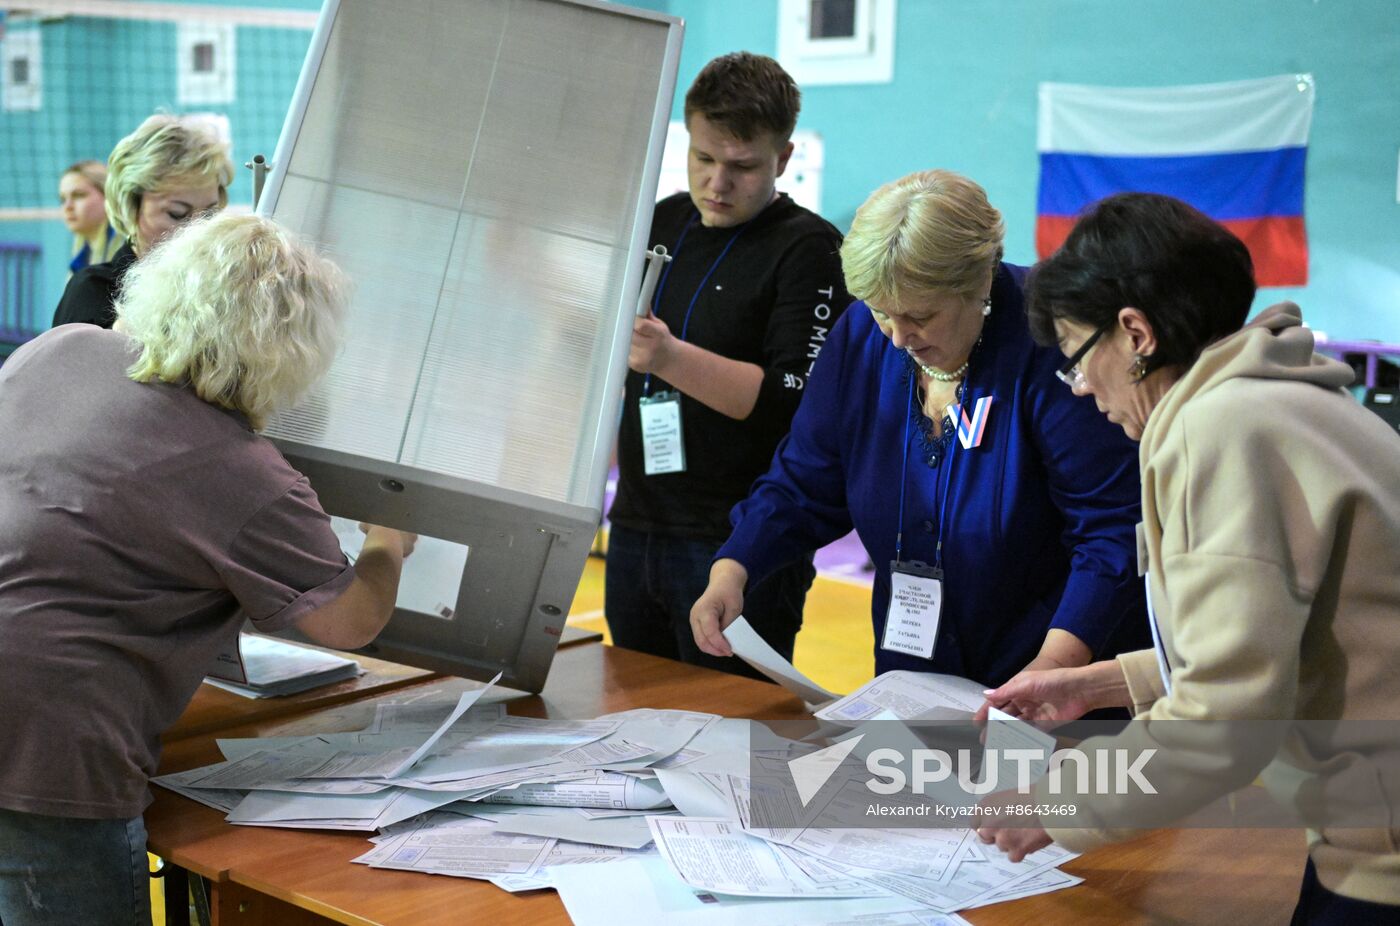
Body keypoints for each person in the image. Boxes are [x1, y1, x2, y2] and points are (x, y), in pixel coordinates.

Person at [975, 193, 1400, 923]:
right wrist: (1107, 684)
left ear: (1135, 334)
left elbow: (1227, 718)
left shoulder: (1220, 429)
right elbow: (1287, 630)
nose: (1082, 390)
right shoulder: (1280, 400)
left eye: (1077, 360)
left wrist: (1059, 802)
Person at [0, 213, 415, 925]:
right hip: (48, 746)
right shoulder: (240, 469)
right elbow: (347, 621)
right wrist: (388, 544)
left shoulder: (61, 347)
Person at [691, 170, 1149, 687]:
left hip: (1055, 664)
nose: (897, 337)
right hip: (914, 668)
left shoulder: (1052, 340)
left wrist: (1054, 669)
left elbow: (1111, 528)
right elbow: (806, 476)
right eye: (882, 313)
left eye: (919, 316)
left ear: (979, 282)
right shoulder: (863, 335)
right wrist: (734, 566)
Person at [605, 52, 849, 676]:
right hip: (637, 520)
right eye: (703, 159)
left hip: (739, 541)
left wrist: (667, 356)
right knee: (628, 721)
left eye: (743, 167)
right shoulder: (665, 219)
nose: (717, 183)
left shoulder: (811, 250)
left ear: (783, 160)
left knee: (733, 741)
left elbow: (793, 404)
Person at [52, 113, 234, 329]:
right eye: (176, 214)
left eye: (208, 216)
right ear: (130, 208)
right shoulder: (92, 292)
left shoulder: (220, 289)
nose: (197, 233)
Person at [58, 160, 122, 275]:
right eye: (63, 199)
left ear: (108, 195)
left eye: (78, 195)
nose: (68, 206)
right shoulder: (81, 255)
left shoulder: (125, 246)